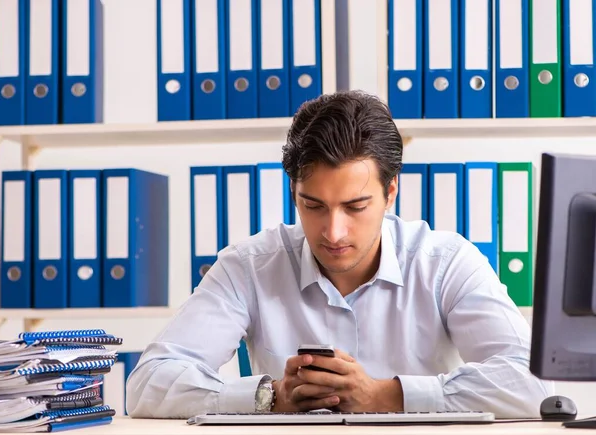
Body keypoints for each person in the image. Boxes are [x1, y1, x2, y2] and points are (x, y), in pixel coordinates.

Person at [125, 90, 554, 419]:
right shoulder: (249, 266)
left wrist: (385, 394)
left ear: (390, 193)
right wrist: (269, 396)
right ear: (293, 194)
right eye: (313, 206)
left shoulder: (445, 263)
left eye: (355, 206)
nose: (333, 231)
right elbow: (147, 383)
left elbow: (535, 381)